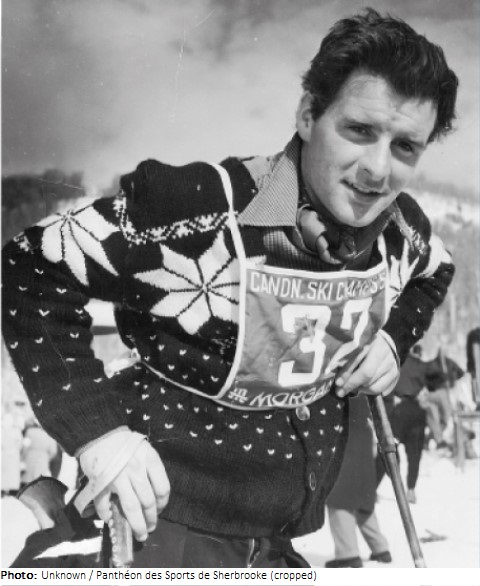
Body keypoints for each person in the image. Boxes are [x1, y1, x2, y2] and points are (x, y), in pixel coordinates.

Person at [2, 8, 458, 567]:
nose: (378, 170)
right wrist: (97, 432)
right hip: (160, 528)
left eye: (406, 146)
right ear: (309, 115)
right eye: (359, 131)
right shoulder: (201, 209)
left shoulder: (400, 231)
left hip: (275, 537)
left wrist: (391, 338)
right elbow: (29, 263)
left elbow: (436, 270)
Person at [325, 396, 391, 568]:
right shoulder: (364, 393)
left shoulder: (336, 392)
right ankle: (380, 548)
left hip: (345, 451)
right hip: (364, 451)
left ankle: (348, 554)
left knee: (339, 503)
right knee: (364, 504)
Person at [389, 344, 430, 504]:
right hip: (417, 411)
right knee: (414, 455)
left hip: (399, 410)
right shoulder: (423, 367)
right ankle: (411, 489)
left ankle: (395, 482)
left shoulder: (398, 362)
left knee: (390, 449)